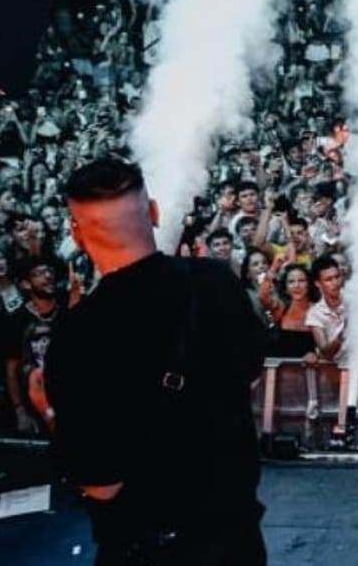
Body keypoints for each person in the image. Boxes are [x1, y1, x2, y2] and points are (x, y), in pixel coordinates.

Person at [44, 157, 267, 564]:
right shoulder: (214, 282)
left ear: (76, 234)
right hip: (233, 534)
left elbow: (99, 482)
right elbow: (250, 375)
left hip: (147, 547)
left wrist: (48, 409)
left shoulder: (77, 333)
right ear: (153, 211)